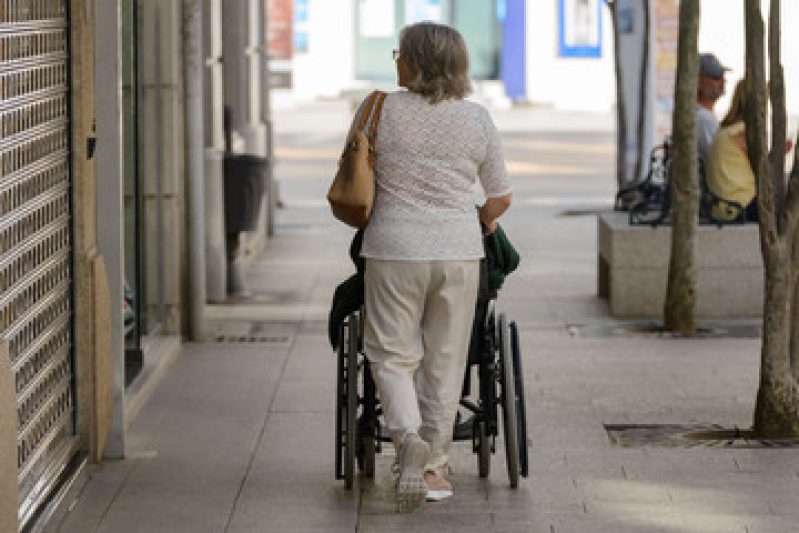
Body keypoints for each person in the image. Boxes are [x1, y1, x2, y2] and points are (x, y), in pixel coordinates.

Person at [344, 22, 512, 511]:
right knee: (445, 359)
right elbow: (499, 197)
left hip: (393, 248)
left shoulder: (377, 109)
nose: (395, 61)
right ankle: (435, 469)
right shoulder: (477, 118)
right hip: (458, 252)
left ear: (416, 62)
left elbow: (355, 174)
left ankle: (406, 437)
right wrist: (478, 217)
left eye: (401, 53)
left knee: (392, 354)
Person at [696, 53, 730, 164]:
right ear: (698, 82)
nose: (723, 81)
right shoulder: (703, 118)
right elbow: (721, 161)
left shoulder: (703, 115)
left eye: (723, 77)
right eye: (716, 77)